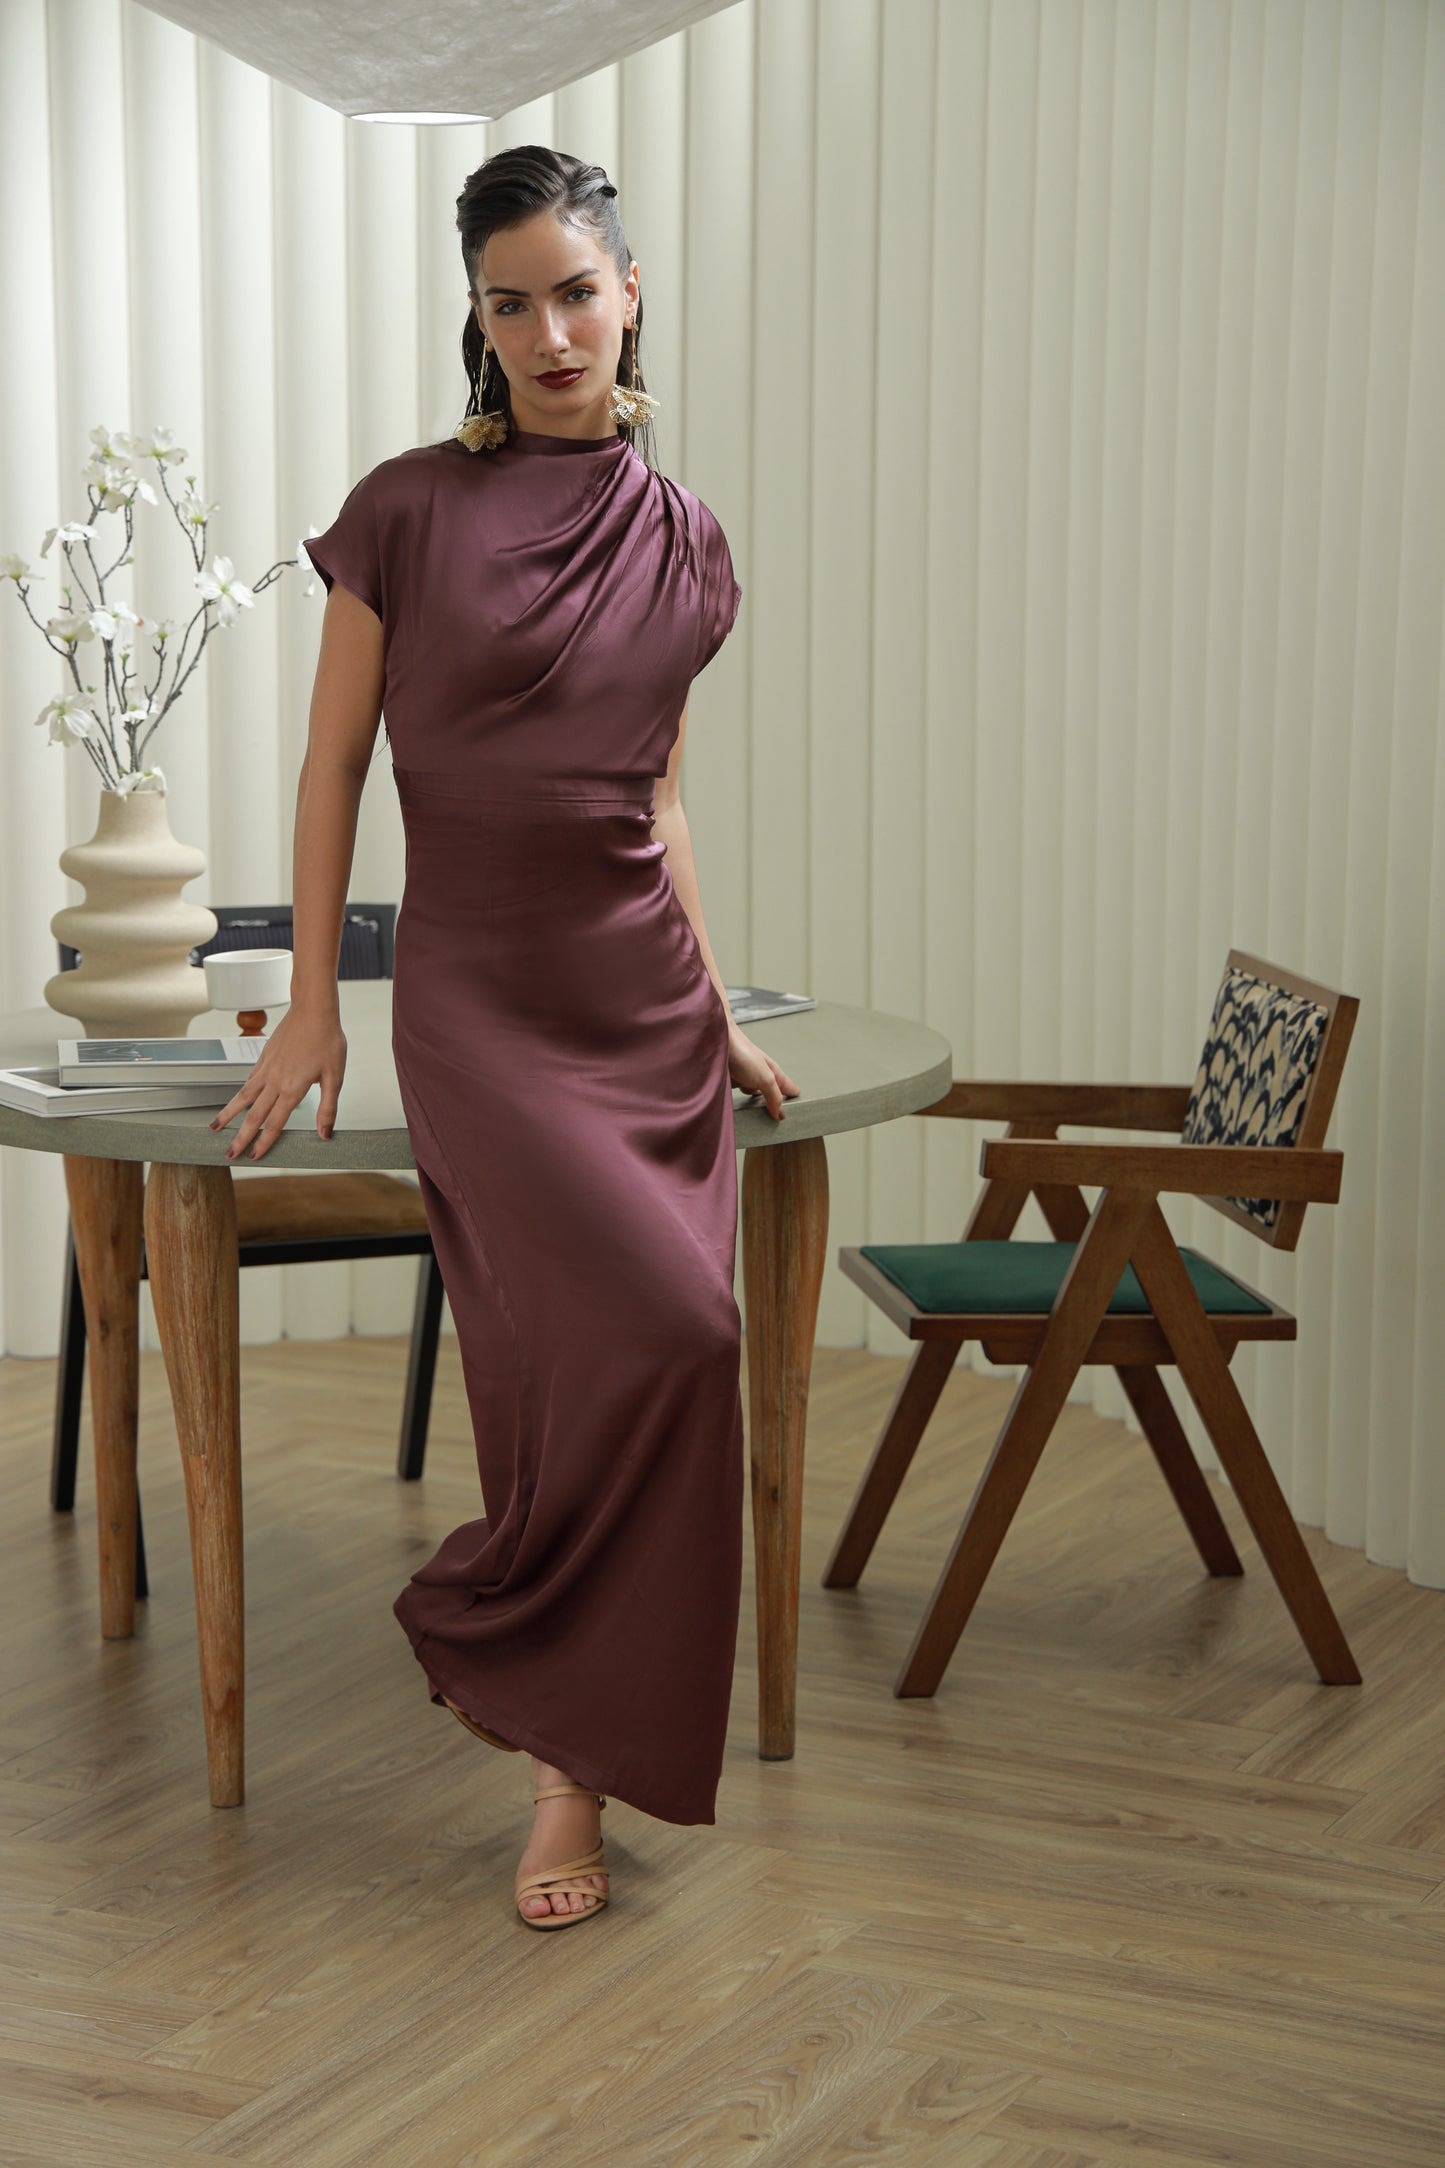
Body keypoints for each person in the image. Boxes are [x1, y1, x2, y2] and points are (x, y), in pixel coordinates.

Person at [208, 145, 800, 1929]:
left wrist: (714, 997)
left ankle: (570, 1745)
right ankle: (560, 1766)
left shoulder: (686, 538)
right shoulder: (404, 508)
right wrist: (314, 1001)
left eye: (573, 289)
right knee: (564, 1364)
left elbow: (661, 807)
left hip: (638, 1001)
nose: (547, 328)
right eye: (506, 299)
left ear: (631, 294)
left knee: (684, 1342)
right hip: (481, 1001)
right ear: (475, 320)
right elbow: (332, 767)